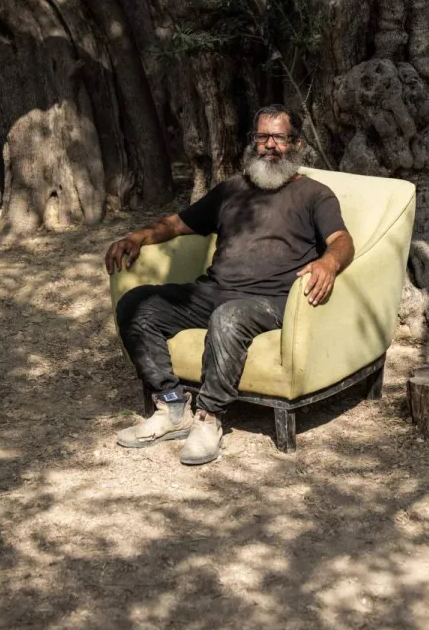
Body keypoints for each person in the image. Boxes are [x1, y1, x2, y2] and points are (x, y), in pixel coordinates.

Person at [104, 105, 354, 465]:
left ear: (296, 143)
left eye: (279, 138)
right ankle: (172, 408)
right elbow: (178, 224)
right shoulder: (231, 190)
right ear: (253, 141)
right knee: (137, 304)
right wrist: (138, 236)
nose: (270, 145)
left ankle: (208, 418)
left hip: (272, 301)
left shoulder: (315, 194)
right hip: (214, 291)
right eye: (262, 137)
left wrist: (329, 263)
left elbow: (341, 240)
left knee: (229, 316)